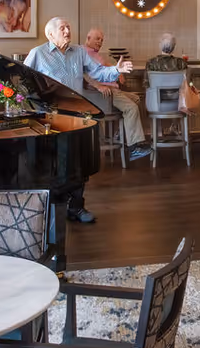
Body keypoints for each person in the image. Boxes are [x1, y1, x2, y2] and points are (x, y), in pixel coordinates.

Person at [24, 17, 137, 223]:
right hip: (48, 118)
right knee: (52, 164)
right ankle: (48, 208)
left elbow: (97, 72)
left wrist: (116, 70)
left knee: (77, 163)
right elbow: (23, 83)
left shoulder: (79, 52)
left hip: (76, 116)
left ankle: (76, 207)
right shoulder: (37, 54)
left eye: (68, 27)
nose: (67, 30)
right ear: (50, 34)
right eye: (62, 28)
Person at [82, 28, 149, 157]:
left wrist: (117, 72)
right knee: (131, 108)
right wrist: (98, 86)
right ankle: (134, 147)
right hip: (103, 93)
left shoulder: (94, 54)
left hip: (111, 90)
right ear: (88, 38)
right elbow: (83, 73)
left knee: (135, 98)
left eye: (102, 40)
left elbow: (104, 64)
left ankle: (117, 135)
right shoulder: (83, 52)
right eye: (97, 39)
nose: (100, 42)